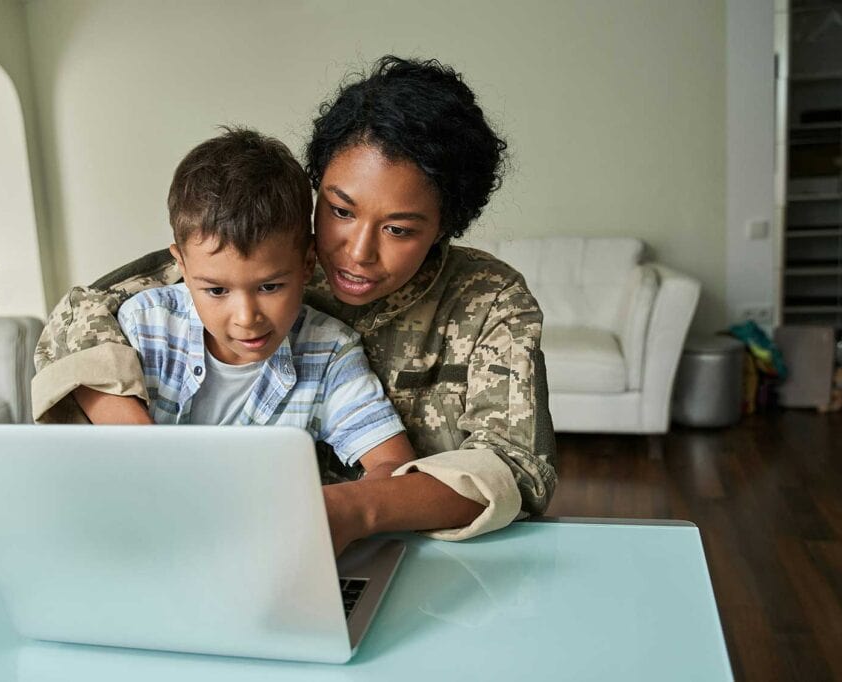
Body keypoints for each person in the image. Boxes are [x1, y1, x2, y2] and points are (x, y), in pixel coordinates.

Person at [32, 55, 557, 555]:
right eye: (339, 210)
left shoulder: (487, 300)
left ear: (446, 224)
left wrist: (356, 509)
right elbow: (80, 318)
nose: (356, 253)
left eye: (398, 229)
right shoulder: (263, 256)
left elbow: (515, 466)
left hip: (409, 558)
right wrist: (156, 461)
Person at [116, 128, 415, 486]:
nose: (247, 318)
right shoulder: (143, 325)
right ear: (181, 265)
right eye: (216, 290)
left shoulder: (330, 353)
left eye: (270, 287)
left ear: (307, 264)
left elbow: (394, 465)